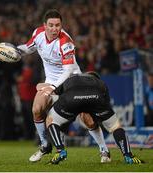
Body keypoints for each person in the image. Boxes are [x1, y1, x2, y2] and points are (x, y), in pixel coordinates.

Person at [16, 9, 110, 162]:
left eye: (58, 25)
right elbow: (29, 48)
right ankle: (45, 145)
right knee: (36, 109)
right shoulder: (38, 33)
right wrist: (16, 50)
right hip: (52, 80)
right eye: (51, 25)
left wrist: (52, 88)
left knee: (87, 118)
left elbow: (67, 70)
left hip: (72, 79)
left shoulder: (65, 41)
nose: (54, 29)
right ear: (44, 26)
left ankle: (104, 150)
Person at [45, 71, 144, 164]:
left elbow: (55, 93)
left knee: (51, 121)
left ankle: (60, 150)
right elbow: (105, 103)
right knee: (115, 127)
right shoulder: (101, 83)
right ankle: (128, 156)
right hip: (96, 97)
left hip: (72, 97)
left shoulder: (72, 78)